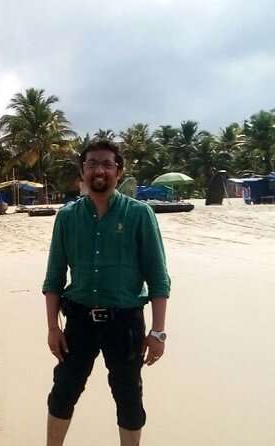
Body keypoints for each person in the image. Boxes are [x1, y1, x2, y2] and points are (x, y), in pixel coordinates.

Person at [42, 139, 171, 446]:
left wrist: (158, 332)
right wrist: (52, 328)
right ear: (82, 171)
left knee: (128, 397)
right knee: (63, 392)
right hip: (78, 322)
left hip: (125, 323)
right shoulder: (67, 217)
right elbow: (54, 277)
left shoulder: (139, 215)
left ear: (118, 170)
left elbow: (158, 278)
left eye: (106, 164)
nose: (99, 170)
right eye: (92, 164)